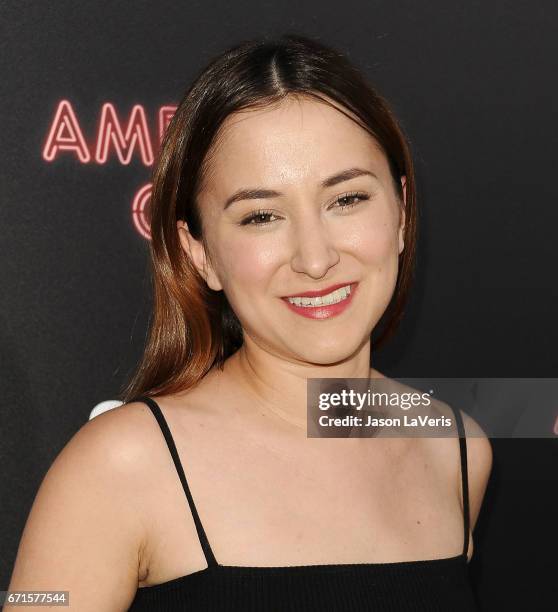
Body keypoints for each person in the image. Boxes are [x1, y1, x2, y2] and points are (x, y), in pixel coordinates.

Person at [7, 33, 492, 611]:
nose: (315, 259)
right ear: (199, 253)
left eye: (348, 200)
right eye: (261, 215)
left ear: (402, 212)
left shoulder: (456, 449)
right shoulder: (122, 466)